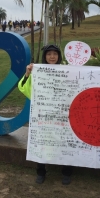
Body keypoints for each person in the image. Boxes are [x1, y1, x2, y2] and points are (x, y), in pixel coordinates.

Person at [18, 44, 73, 185]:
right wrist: (28, 73)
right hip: (43, 115)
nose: (52, 57)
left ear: (59, 56)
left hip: (63, 115)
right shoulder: (38, 71)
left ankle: (67, 172)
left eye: (55, 54)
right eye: (49, 54)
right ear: (45, 56)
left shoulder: (68, 71)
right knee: (42, 142)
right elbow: (23, 87)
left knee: (64, 143)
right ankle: (41, 171)